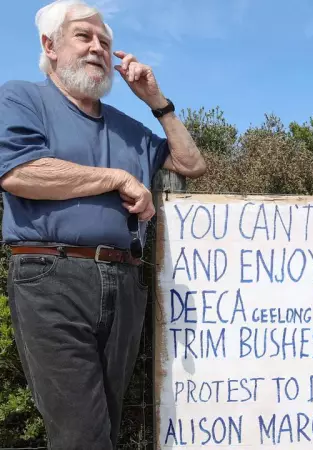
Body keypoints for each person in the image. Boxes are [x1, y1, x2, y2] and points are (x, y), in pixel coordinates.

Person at [0, 0, 206, 448]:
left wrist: (158, 101)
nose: (98, 48)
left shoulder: (128, 127)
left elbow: (191, 163)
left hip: (124, 280)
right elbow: (19, 173)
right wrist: (115, 178)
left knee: (106, 428)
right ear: (49, 46)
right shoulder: (21, 97)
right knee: (83, 435)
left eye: (105, 42)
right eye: (84, 36)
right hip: (51, 276)